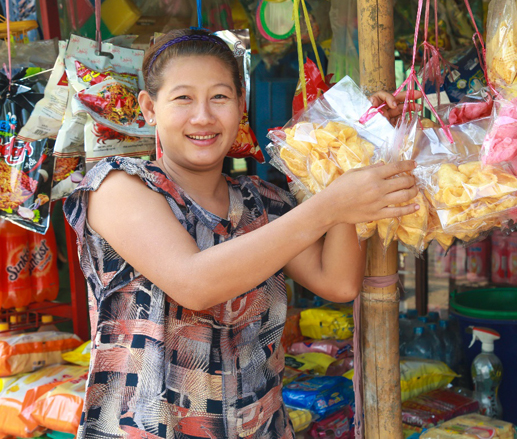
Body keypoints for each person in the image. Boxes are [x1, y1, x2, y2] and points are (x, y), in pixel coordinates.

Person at [64, 29, 420, 439]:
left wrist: (360, 150)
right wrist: (330, 205)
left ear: (240, 105)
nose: (203, 117)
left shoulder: (262, 203)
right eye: (183, 98)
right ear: (149, 108)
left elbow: (337, 282)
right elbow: (193, 283)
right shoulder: (118, 188)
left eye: (220, 97)